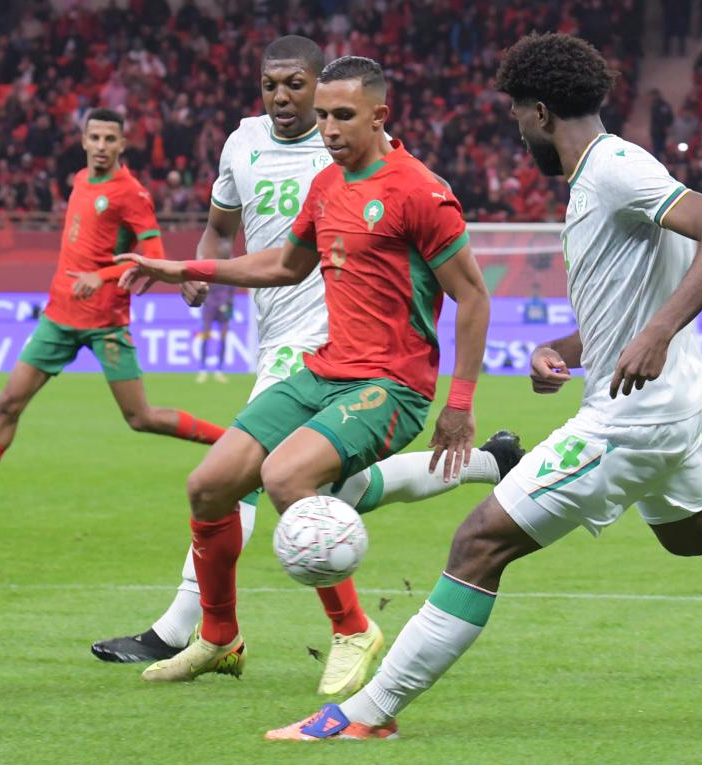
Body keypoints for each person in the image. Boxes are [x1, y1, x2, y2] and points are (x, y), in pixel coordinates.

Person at [268, 33, 702, 742]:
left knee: (479, 542)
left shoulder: (614, 169)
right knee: (695, 532)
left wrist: (656, 332)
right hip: (667, 405)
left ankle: (364, 714)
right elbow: (626, 301)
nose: (516, 128)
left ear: (539, 112)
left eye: (516, 113)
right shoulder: (602, 175)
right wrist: (564, 349)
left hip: (633, 418)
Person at [91, 39, 521, 698]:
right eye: (322, 116)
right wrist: (182, 267)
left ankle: (353, 629)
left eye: (342, 116)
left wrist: (458, 402)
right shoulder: (326, 184)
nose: (328, 129)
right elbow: (283, 265)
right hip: (323, 371)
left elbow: (473, 296)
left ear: (378, 115)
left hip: (391, 386)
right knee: (209, 485)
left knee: (285, 476)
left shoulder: (420, 190)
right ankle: (218, 636)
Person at [0, 108, 226, 531]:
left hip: (106, 323)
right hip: (58, 317)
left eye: (109, 139)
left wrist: (100, 276)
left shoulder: (132, 193)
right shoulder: (81, 180)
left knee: (140, 417)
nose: (101, 146)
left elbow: (153, 257)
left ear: (122, 144)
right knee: (8, 402)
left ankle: (233, 444)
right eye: (95, 137)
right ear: (84, 140)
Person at [196, 280, 235, 383]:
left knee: (223, 338)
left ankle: (219, 370)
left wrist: (229, 304)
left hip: (224, 305)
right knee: (205, 336)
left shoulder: (229, 272)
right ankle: (202, 370)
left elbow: (233, 288)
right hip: (209, 305)